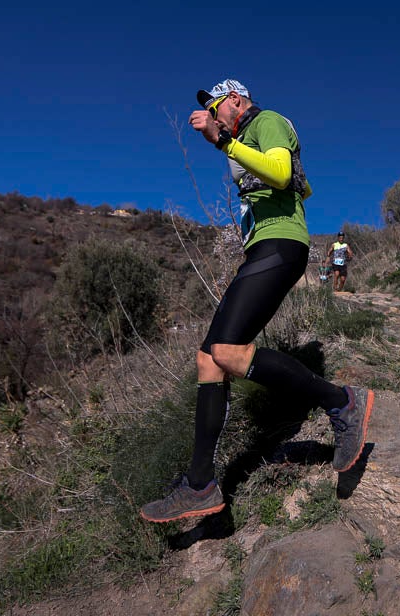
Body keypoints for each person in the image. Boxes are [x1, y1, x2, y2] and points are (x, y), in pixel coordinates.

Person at [140, 79, 375, 523]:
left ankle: (342, 401)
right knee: (208, 358)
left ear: (234, 100)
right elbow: (290, 183)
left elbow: (283, 174)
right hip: (262, 248)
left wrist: (223, 141)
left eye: (215, 108)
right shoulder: (242, 139)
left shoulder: (267, 121)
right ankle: (200, 483)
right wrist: (224, 143)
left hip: (281, 244)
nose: (213, 116)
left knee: (227, 351)